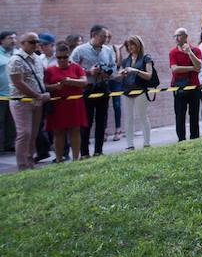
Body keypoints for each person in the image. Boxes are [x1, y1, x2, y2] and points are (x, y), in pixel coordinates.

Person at [70, 25, 116, 157]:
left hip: (103, 87)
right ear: (93, 35)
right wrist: (88, 72)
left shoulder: (107, 50)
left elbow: (112, 67)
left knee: (102, 121)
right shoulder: (80, 50)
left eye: (107, 36)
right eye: (103, 36)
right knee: (86, 122)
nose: (105, 39)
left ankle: (99, 151)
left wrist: (108, 73)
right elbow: (71, 69)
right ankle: (84, 153)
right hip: (87, 89)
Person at [6, 32, 49, 170]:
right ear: (22, 43)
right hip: (21, 102)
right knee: (25, 133)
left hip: (37, 101)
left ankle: (30, 163)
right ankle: (22, 166)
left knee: (33, 133)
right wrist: (38, 95)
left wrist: (42, 94)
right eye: (32, 42)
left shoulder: (37, 58)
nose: (36, 44)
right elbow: (18, 83)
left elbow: (40, 79)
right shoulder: (16, 60)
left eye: (37, 42)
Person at [43, 42, 88, 162]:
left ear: (69, 56)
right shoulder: (50, 70)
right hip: (58, 105)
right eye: (59, 57)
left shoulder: (76, 67)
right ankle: (58, 159)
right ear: (55, 56)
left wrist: (71, 81)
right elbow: (45, 86)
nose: (62, 60)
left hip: (74, 104)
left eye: (65, 57)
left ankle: (75, 159)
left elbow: (84, 82)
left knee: (75, 130)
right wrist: (55, 86)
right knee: (58, 132)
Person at [119, 35, 154, 149]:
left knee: (142, 116)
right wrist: (121, 74)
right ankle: (130, 145)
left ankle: (147, 143)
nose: (129, 47)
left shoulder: (146, 58)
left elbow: (149, 75)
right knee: (128, 118)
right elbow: (118, 73)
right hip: (127, 91)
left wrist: (135, 71)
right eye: (127, 45)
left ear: (138, 44)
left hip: (140, 91)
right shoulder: (126, 60)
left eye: (132, 44)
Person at [169, 28, 202, 141]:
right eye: (175, 36)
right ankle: (181, 139)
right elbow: (175, 69)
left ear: (185, 36)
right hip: (179, 88)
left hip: (194, 87)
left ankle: (195, 138)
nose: (176, 38)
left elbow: (199, 66)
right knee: (180, 115)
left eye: (178, 35)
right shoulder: (173, 52)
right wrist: (192, 68)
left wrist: (189, 53)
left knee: (194, 115)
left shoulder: (195, 50)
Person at [0, 31, 18, 152]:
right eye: (9, 38)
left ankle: (9, 144)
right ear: (1, 40)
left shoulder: (17, 54)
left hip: (15, 94)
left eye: (14, 38)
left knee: (12, 122)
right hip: (1, 95)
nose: (13, 40)